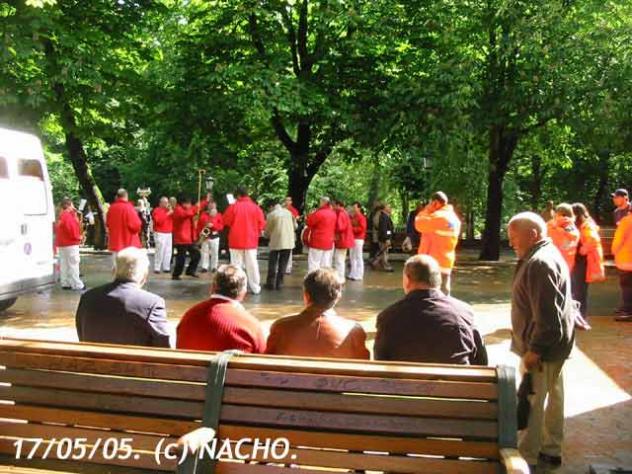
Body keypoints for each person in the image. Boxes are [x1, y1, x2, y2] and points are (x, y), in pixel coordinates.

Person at [507, 212, 575, 471]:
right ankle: (551, 449)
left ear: (532, 235)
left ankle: (526, 457)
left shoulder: (539, 263)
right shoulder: (546, 254)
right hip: (557, 346)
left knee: (532, 401)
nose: (511, 242)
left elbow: (547, 316)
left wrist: (534, 350)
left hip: (543, 348)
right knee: (554, 397)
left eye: (514, 237)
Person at [374, 254, 487, 365]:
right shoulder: (464, 312)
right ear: (439, 280)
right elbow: (481, 360)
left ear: (407, 280)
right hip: (455, 378)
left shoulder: (388, 317)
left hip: (406, 378)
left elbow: (380, 361)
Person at [75, 247, 171, 348]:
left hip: (93, 358)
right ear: (144, 276)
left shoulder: (87, 298)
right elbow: (163, 346)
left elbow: (81, 336)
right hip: (134, 358)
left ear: (114, 271)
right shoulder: (152, 303)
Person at [266, 268, 369, 359]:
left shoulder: (281, 327)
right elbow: (364, 364)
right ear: (338, 298)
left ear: (306, 296)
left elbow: (267, 360)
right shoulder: (353, 331)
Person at [177, 264, 266, 353]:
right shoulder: (251, 326)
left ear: (212, 288)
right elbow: (263, 356)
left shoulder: (188, 317)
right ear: (242, 293)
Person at [415, 191, 461, 294]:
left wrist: (427, 209)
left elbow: (418, 223)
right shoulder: (454, 219)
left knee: (429, 293)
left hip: (433, 261)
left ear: (435, 203)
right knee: (444, 290)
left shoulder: (439, 217)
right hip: (447, 260)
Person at [223, 187, 266, 294]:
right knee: (252, 265)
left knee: (236, 265)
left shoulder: (233, 207)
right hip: (251, 240)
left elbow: (226, 221)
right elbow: (262, 223)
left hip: (235, 240)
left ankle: (239, 287)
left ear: (238, 196)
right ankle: (255, 287)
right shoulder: (256, 208)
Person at [571, 203, 605, 323]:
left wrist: (582, 250)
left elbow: (593, 239)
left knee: (579, 291)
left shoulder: (586, 225)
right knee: (577, 290)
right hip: (579, 262)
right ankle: (579, 316)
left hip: (582, 262)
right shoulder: (584, 224)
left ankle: (580, 316)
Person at [264, 200, 296, 290]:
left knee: (273, 262)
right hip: (288, 242)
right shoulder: (289, 213)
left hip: (276, 241)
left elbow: (268, 229)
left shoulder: (271, 215)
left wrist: (266, 235)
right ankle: (280, 283)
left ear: (271, 207)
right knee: (283, 263)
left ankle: (270, 283)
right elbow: (295, 226)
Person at [172, 194, 205, 280]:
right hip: (181, 238)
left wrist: (204, 201)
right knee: (181, 258)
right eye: (189, 203)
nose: (190, 205)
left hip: (188, 238)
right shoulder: (178, 210)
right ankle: (176, 274)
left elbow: (195, 208)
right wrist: (195, 209)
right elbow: (185, 214)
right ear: (184, 203)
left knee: (196, 255)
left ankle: (190, 270)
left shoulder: (185, 209)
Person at [55, 197, 84, 290]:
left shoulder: (61, 215)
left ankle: (65, 282)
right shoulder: (68, 216)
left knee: (64, 263)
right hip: (70, 243)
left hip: (62, 243)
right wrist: (79, 237)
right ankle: (77, 284)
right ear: (69, 205)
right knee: (73, 263)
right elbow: (71, 229)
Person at [106, 188, 142, 259]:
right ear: (126, 196)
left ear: (117, 196)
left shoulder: (111, 208)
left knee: (117, 264)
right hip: (129, 244)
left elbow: (108, 223)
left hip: (115, 243)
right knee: (128, 265)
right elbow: (136, 225)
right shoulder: (129, 207)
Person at [305, 197, 337, 273]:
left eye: (320, 202)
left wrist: (310, 215)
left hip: (317, 241)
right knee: (325, 263)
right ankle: (324, 279)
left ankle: (313, 278)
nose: (319, 203)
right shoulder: (333, 213)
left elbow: (309, 222)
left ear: (323, 202)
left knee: (314, 262)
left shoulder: (318, 213)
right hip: (329, 241)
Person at [546, 203, 580, 273]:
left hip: (553, 262)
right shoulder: (573, 228)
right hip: (568, 264)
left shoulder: (551, 226)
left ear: (557, 213)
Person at [612, 210, 632, 321]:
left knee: (627, 287)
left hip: (626, 260)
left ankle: (627, 311)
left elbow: (618, 239)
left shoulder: (626, 221)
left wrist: (614, 251)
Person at [197, 201, 224, 273]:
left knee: (215, 252)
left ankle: (214, 266)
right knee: (204, 252)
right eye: (210, 205)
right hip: (205, 235)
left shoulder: (219, 215)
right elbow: (200, 224)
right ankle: (204, 266)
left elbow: (221, 226)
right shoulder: (204, 214)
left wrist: (214, 225)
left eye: (213, 205)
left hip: (215, 236)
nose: (212, 207)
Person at [333, 199, 354, 280]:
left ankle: (340, 277)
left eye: (334, 205)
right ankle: (340, 277)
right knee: (340, 259)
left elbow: (340, 227)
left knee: (339, 259)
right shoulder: (344, 213)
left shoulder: (341, 214)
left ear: (338, 205)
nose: (334, 207)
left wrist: (334, 230)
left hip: (342, 239)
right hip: (345, 239)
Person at [152, 196, 174, 273]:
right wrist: (167, 213)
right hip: (160, 232)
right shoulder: (156, 210)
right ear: (160, 203)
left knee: (168, 251)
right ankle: (157, 267)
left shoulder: (170, 210)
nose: (166, 204)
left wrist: (171, 211)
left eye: (167, 202)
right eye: (165, 202)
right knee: (160, 250)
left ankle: (166, 267)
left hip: (169, 233)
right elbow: (158, 221)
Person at [371, 204, 394, 272]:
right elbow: (384, 229)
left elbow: (389, 229)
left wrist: (389, 236)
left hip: (385, 238)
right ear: (384, 208)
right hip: (384, 239)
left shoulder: (386, 216)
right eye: (388, 207)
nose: (390, 208)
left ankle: (374, 263)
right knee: (384, 252)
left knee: (383, 252)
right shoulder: (384, 217)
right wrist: (387, 238)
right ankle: (386, 266)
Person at [348, 202, 367, 281]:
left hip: (359, 239)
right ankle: (353, 273)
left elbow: (362, 228)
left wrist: (351, 229)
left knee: (358, 256)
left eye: (355, 207)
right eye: (353, 207)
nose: (353, 209)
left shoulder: (361, 217)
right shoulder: (352, 217)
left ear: (359, 208)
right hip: (352, 238)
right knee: (352, 256)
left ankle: (359, 274)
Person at [283, 196, 300, 274]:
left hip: (290, 232)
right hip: (283, 232)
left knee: (289, 251)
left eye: (289, 200)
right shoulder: (281, 209)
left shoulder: (293, 210)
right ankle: (282, 267)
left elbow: (296, 221)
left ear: (291, 202)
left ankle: (288, 268)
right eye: (286, 200)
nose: (287, 202)